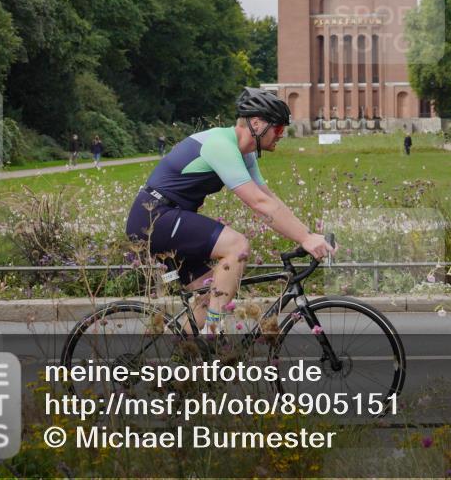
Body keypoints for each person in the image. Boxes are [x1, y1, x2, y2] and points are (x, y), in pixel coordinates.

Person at [125, 87, 334, 335]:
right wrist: (305, 238)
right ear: (256, 124)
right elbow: (258, 203)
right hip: (155, 217)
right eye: (278, 129)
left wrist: (307, 235)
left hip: (169, 218)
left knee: (209, 295)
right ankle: (214, 332)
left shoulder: (245, 155)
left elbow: (269, 199)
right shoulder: (220, 144)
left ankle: (179, 359)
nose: (281, 135)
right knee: (237, 246)